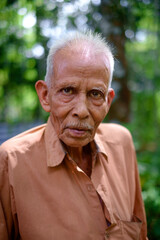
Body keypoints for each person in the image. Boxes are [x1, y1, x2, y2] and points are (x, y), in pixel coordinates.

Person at [0, 31, 148, 240]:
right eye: (68, 91)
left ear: (108, 100)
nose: (82, 110)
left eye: (95, 94)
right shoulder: (12, 161)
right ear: (45, 95)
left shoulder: (121, 143)